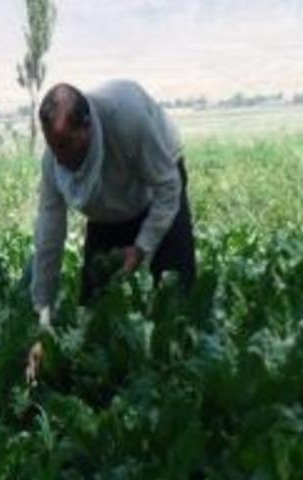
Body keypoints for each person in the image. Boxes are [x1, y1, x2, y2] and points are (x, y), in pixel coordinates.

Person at [26, 81, 196, 383]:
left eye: (66, 145)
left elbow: (168, 188)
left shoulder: (127, 118)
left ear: (87, 126)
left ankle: (179, 381)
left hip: (155, 190)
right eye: (53, 147)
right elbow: (49, 236)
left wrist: (142, 246)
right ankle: (106, 390)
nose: (60, 157)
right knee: (94, 310)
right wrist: (44, 317)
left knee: (175, 294)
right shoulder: (54, 160)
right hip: (107, 213)